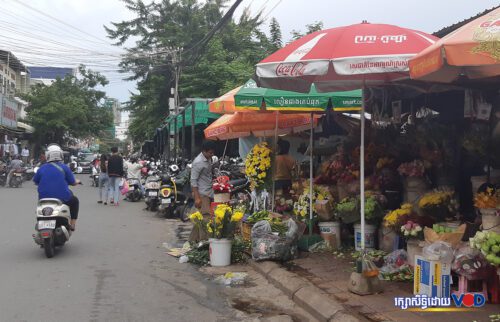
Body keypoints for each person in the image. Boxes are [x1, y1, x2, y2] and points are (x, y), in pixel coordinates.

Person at [33, 144, 81, 231]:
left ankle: (40, 224)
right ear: (60, 155)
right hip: (63, 199)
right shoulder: (65, 168)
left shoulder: (42, 168)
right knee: (75, 201)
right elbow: (73, 182)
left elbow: (35, 181)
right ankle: (73, 224)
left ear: (48, 155)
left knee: (39, 208)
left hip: (44, 199)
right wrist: (77, 181)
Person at [189, 141, 216, 242]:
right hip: (202, 194)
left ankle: (192, 241)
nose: (211, 155)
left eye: (212, 153)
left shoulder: (208, 159)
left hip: (208, 191)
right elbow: (193, 180)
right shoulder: (198, 162)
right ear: (204, 151)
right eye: (210, 153)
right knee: (205, 218)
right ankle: (204, 242)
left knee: (199, 220)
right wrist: (197, 197)